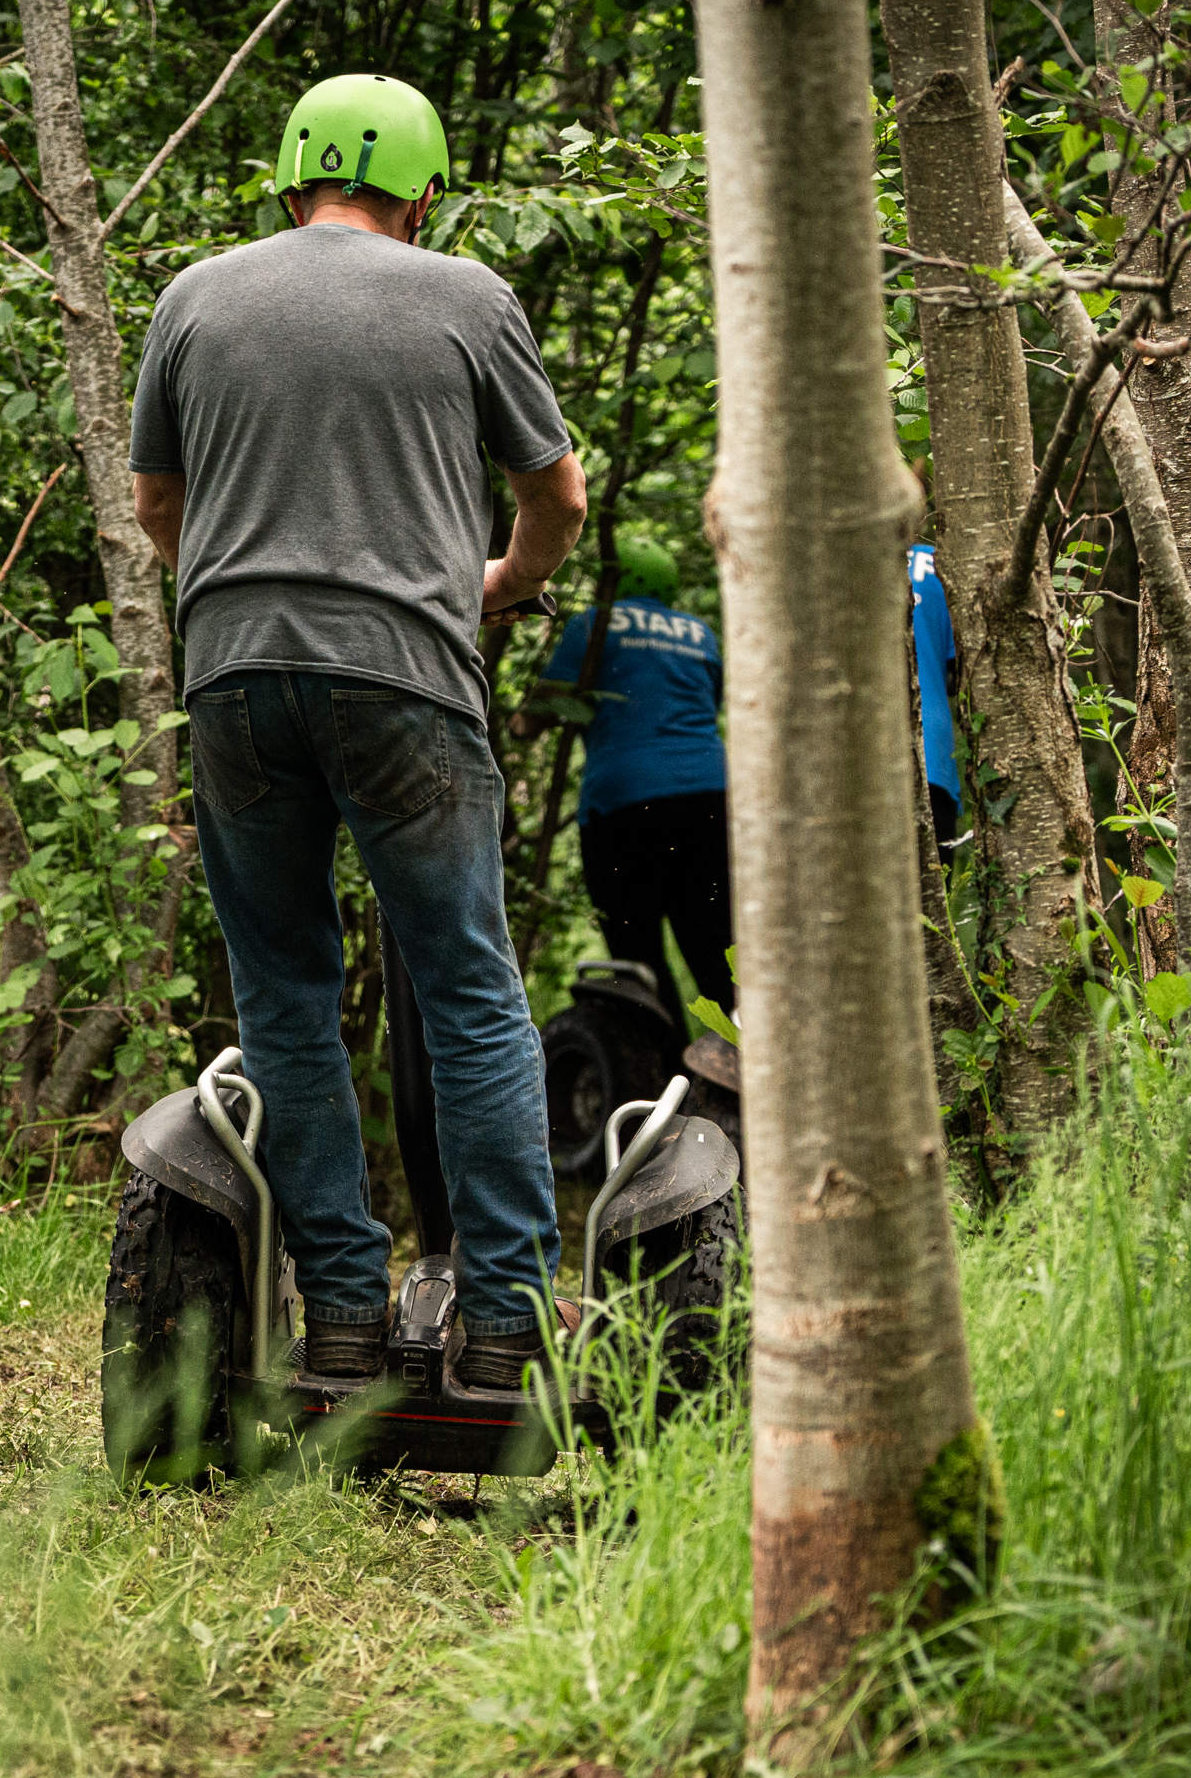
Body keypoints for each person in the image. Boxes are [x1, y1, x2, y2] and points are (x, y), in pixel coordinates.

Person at [128, 72, 585, 1392]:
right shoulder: (469, 300)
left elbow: (162, 507)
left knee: (284, 996)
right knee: (467, 990)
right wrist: (502, 584)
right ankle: (501, 1329)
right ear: (424, 193)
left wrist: (239, 608)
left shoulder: (196, 296)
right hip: (411, 678)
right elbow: (556, 494)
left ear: (292, 178)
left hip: (233, 677)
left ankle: (337, 1318)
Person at [515, 537, 735, 1041]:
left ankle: (665, 1092)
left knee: (637, 959)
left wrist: (521, 722)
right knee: (716, 948)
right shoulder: (699, 634)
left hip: (624, 806)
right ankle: (739, 1087)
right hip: (710, 798)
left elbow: (536, 716)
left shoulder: (592, 625)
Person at [909, 541, 963, 851]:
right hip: (930, 753)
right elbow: (962, 667)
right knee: (932, 893)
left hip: (852, 763)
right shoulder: (937, 562)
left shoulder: (825, 563)